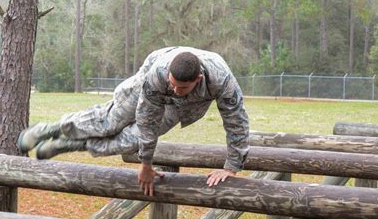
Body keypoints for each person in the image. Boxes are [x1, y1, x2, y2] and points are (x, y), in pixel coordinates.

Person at [18, 46, 249, 196]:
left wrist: (231, 166)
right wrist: (146, 165)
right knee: (108, 123)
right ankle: (51, 129)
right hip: (146, 87)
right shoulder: (159, 74)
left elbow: (236, 121)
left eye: (183, 87)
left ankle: (66, 144)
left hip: (184, 108)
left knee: (130, 141)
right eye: (174, 84)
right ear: (169, 73)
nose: (176, 90)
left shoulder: (222, 80)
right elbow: (147, 121)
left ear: (198, 80)